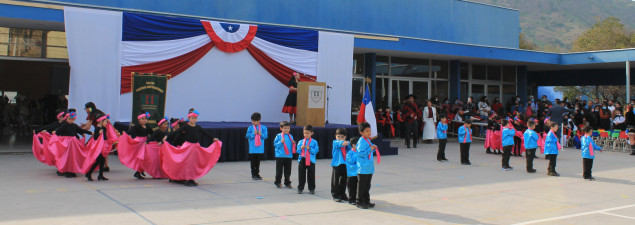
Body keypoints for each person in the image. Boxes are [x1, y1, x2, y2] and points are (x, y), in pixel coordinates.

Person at [164, 110, 219, 186]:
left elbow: (205, 133)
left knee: (193, 164)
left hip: (196, 147)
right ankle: (186, 179)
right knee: (187, 163)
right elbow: (177, 131)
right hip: (188, 147)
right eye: (192, 118)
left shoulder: (197, 127)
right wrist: (167, 136)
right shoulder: (186, 126)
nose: (194, 120)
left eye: (195, 118)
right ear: (189, 118)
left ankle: (191, 178)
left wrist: (213, 138)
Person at [53, 109, 93, 178]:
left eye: (72, 119)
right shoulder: (64, 125)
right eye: (69, 119)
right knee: (66, 157)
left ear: (74, 119)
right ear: (66, 118)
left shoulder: (74, 125)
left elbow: (80, 130)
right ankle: (65, 170)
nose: (71, 120)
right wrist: (55, 132)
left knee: (73, 157)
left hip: (73, 143)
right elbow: (58, 130)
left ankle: (70, 170)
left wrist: (89, 133)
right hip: (66, 143)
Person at [356, 122, 377, 209]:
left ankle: (366, 200)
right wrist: (370, 149)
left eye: (370, 130)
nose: (369, 132)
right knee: (362, 185)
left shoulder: (368, 140)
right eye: (367, 131)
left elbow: (369, 152)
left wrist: (373, 148)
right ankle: (359, 201)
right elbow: (360, 153)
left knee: (367, 185)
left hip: (368, 167)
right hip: (363, 168)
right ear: (361, 133)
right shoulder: (361, 141)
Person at [127, 111, 154, 180]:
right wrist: (125, 135)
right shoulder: (136, 126)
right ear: (139, 120)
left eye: (145, 119)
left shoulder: (147, 127)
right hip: (138, 143)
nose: (144, 120)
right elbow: (130, 132)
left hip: (145, 143)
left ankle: (141, 170)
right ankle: (138, 172)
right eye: (142, 119)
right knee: (141, 158)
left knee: (145, 158)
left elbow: (152, 134)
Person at [85, 113, 110, 181]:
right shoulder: (97, 128)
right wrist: (98, 133)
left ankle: (100, 175)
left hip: (103, 146)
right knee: (98, 161)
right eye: (105, 121)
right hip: (99, 147)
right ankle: (89, 173)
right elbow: (95, 137)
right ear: (101, 121)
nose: (106, 123)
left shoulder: (103, 128)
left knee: (102, 161)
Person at [296, 125, 319, 194]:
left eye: (307, 133)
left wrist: (310, 149)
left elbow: (316, 151)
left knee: (311, 175)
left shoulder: (314, 142)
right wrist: (301, 148)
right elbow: (298, 151)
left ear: (312, 133)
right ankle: (300, 188)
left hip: (311, 160)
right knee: (301, 175)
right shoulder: (301, 142)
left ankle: (311, 188)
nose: (306, 134)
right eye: (304, 133)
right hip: (302, 160)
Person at [246, 112, 268, 180]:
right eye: (252, 121)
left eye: (255, 121)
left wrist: (261, 134)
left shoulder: (263, 128)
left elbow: (265, 136)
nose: (253, 122)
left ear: (259, 120)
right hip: (253, 148)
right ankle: (253, 174)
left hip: (259, 148)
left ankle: (257, 173)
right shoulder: (250, 128)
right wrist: (253, 134)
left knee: (258, 161)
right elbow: (247, 136)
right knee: (253, 161)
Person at [273, 121, 294, 189]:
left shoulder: (290, 136)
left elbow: (291, 146)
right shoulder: (278, 136)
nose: (286, 129)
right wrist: (280, 142)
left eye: (288, 128)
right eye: (285, 128)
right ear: (281, 128)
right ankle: (278, 182)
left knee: (288, 171)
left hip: (288, 156)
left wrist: (294, 143)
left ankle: (287, 182)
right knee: (279, 170)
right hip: (280, 156)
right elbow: (275, 145)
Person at [331, 128, 350, 202]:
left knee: (344, 180)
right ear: (335, 136)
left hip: (345, 163)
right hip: (337, 164)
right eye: (338, 136)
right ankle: (335, 194)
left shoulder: (346, 144)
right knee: (335, 180)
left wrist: (348, 143)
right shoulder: (335, 142)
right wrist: (343, 143)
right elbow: (339, 144)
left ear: (345, 137)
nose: (340, 138)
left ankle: (342, 194)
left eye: (342, 137)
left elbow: (350, 147)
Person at [346, 137, 359, 205]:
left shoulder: (360, 152)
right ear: (353, 145)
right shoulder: (349, 153)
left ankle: (357, 199)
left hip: (359, 173)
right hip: (351, 174)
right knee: (352, 188)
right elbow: (351, 162)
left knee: (358, 187)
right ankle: (351, 200)